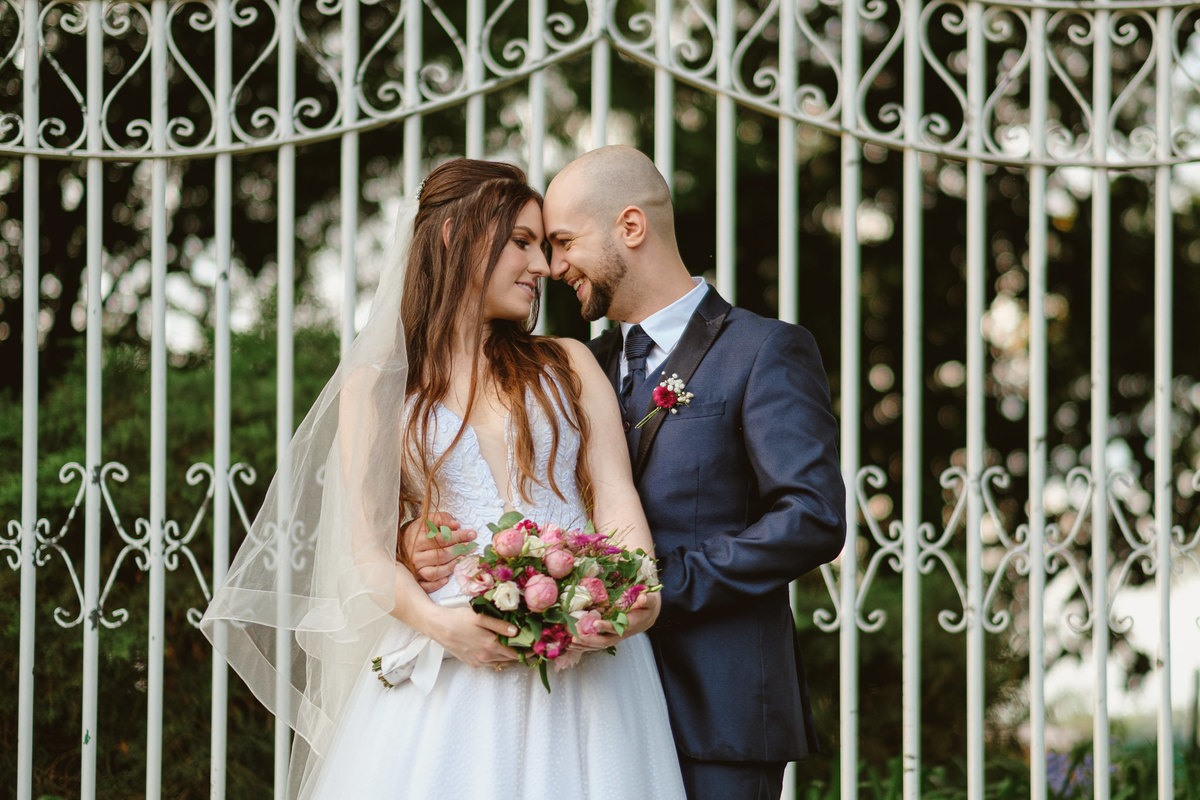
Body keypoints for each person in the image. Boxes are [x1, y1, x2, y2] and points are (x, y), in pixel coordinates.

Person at [202, 159, 685, 799]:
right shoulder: (377, 390)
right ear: (456, 236)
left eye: (545, 247)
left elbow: (615, 493)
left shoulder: (567, 364)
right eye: (521, 243)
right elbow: (367, 555)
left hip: (594, 674)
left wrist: (635, 590)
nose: (543, 267)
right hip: (452, 675)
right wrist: (440, 625)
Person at [406, 146, 846, 800]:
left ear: (631, 228)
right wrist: (414, 541)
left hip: (715, 708)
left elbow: (812, 518)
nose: (552, 268)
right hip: (580, 702)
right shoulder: (572, 364)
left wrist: (642, 585)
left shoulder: (761, 351)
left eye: (562, 242)